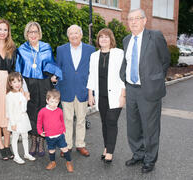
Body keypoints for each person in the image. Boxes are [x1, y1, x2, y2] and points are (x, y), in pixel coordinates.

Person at [120, 8, 170, 173]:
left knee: (150, 128)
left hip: (149, 90)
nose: (133, 22)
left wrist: (155, 80)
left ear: (144, 20)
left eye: (137, 18)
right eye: (130, 19)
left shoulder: (155, 36)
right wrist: (124, 78)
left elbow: (165, 60)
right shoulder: (126, 40)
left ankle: (150, 159)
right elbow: (126, 62)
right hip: (132, 89)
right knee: (133, 127)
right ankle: (138, 154)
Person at [15, 21, 62, 157]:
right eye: (30, 32)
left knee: (43, 111)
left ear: (39, 33)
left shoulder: (46, 47)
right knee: (31, 112)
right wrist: (22, 89)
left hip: (44, 83)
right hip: (28, 84)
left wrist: (54, 76)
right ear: (27, 34)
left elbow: (52, 65)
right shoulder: (21, 49)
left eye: (35, 31)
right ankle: (33, 141)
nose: (33, 34)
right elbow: (18, 71)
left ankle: (41, 142)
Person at [0, 19, 28, 161]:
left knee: (8, 116)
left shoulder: (12, 48)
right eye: (0, 29)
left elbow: (15, 70)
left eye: (5, 30)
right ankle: (1, 146)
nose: (2, 32)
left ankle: (7, 145)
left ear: (8, 32)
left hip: (9, 84)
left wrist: (19, 87)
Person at [87, 28, 126, 163]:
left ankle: (110, 151)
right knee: (104, 123)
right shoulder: (94, 56)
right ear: (98, 40)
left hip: (116, 95)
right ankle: (106, 147)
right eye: (101, 37)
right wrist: (90, 94)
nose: (103, 39)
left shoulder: (119, 53)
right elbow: (91, 75)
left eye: (106, 37)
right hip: (101, 95)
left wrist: (123, 95)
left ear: (111, 39)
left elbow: (123, 75)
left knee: (111, 121)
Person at [56, 25, 95, 157]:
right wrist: (56, 89)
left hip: (82, 90)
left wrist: (91, 92)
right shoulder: (61, 50)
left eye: (76, 33)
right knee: (66, 120)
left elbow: (92, 72)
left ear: (81, 35)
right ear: (68, 36)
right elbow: (58, 69)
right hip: (66, 90)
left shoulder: (90, 50)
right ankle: (66, 146)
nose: (74, 35)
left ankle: (80, 144)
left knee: (81, 120)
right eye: (71, 33)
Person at [37, 89, 73, 172]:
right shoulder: (42, 111)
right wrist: (40, 131)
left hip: (60, 135)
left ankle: (69, 162)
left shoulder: (59, 111)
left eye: (56, 102)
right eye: (52, 101)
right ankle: (53, 162)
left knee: (64, 149)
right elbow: (39, 123)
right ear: (47, 100)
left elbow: (62, 121)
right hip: (49, 136)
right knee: (51, 150)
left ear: (59, 102)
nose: (54, 104)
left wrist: (63, 130)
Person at [6, 72, 36, 164]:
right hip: (15, 119)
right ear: (10, 83)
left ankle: (26, 153)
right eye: (14, 82)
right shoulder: (9, 95)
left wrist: (25, 99)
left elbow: (24, 107)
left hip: (23, 118)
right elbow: (10, 111)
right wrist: (13, 123)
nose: (17, 84)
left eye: (19, 81)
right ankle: (16, 156)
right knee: (15, 137)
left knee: (25, 136)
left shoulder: (21, 93)